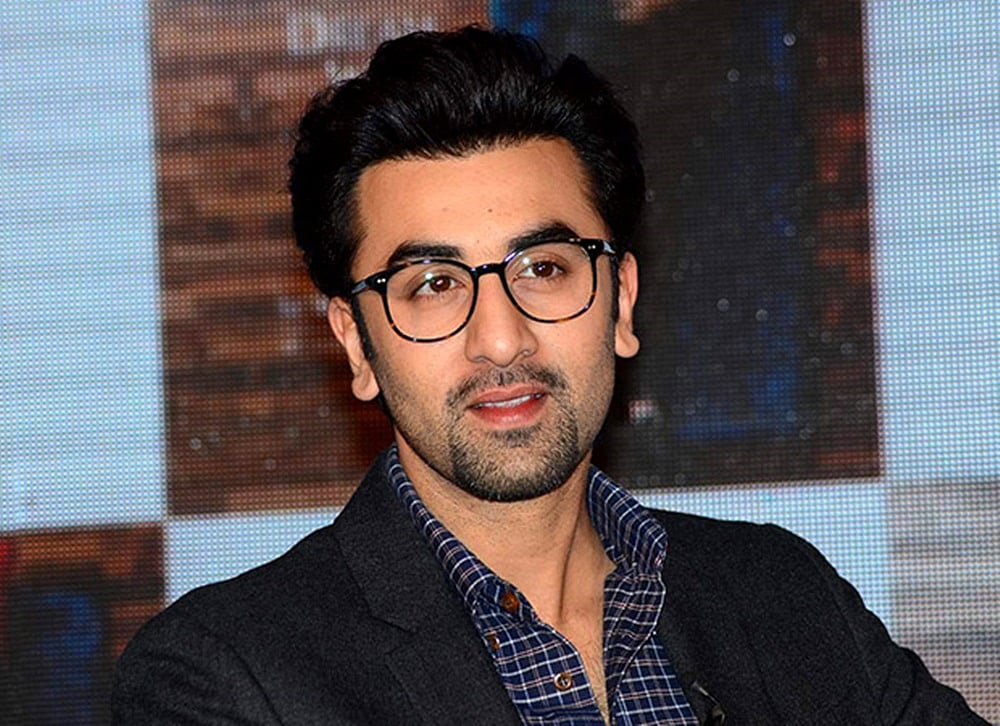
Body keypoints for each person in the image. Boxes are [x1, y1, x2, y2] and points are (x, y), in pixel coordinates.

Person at [112, 26, 987, 725]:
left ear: (621, 302)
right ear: (356, 344)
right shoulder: (227, 677)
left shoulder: (784, 599)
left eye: (544, 269)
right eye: (432, 285)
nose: (500, 339)